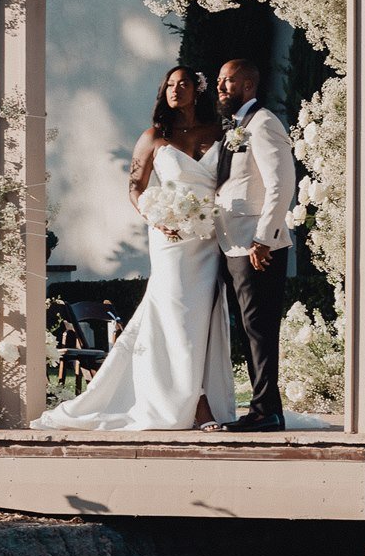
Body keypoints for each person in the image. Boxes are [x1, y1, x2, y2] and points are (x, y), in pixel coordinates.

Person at [32, 66, 236, 432]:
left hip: (208, 238)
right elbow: (135, 187)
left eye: (183, 84)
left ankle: (200, 395)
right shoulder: (154, 137)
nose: (176, 90)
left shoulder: (218, 132)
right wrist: (154, 215)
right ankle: (197, 403)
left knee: (202, 320)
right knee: (176, 316)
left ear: (197, 91)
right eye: (170, 85)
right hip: (170, 239)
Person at [206, 59, 296, 433]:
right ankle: (265, 409)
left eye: (228, 82)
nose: (221, 88)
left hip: (257, 246)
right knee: (248, 329)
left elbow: (281, 184)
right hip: (233, 244)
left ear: (247, 85)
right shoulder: (236, 127)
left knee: (259, 329)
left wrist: (263, 238)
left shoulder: (263, 123)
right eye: (219, 81)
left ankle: (265, 413)